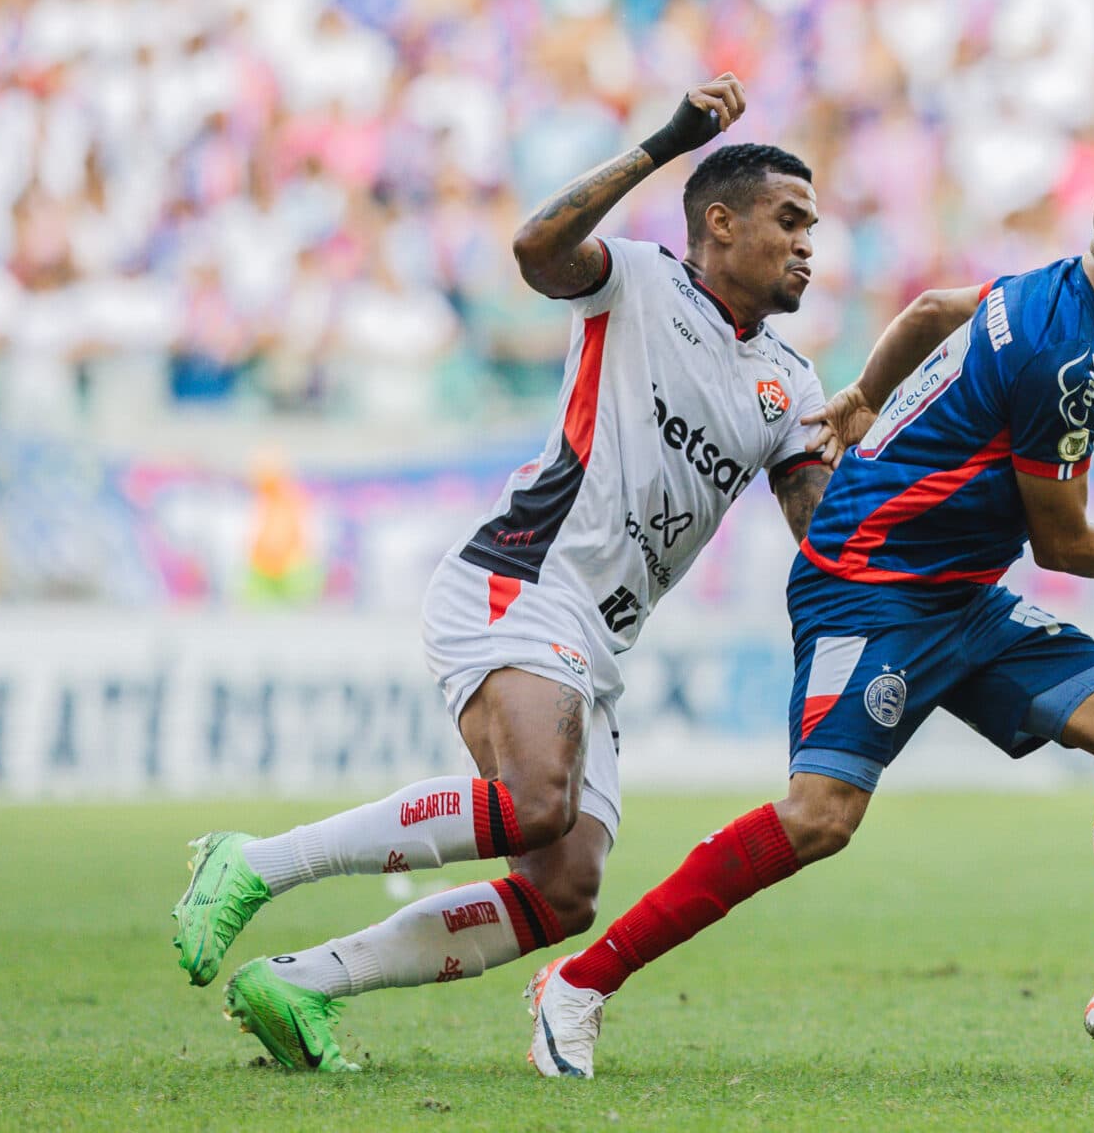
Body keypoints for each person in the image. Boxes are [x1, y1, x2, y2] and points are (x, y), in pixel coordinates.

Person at [522, 162, 1094, 1077]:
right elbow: (1060, 544)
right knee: (819, 818)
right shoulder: (1068, 366)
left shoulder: (1044, 290)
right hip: (865, 590)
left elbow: (933, 311)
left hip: (955, 593)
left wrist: (866, 394)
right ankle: (579, 985)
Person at [171, 74, 837, 1072]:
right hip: (520, 578)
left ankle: (302, 979)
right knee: (536, 799)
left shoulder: (792, 381)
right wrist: (663, 140)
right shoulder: (642, 280)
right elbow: (535, 251)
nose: (808, 244)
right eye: (788, 221)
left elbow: (823, 534)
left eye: (814, 227)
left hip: (596, 639)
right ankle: (255, 862)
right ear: (720, 222)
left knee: (563, 888)